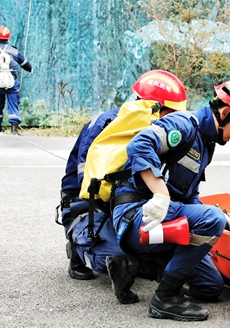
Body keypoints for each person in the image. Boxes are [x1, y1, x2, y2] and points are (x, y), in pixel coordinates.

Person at [110, 79, 230, 321]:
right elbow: (140, 145)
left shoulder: (205, 145)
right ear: (226, 113)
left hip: (163, 222)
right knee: (211, 219)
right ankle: (165, 298)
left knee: (210, 287)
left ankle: (132, 265)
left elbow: (187, 195)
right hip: (138, 217)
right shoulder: (183, 124)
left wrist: (220, 219)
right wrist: (161, 194)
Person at [60, 70, 187, 283]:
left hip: (123, 201)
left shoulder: (155, 131)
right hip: (88, 206)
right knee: (110, 260)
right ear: (154, 107)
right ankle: (79, 249)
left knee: (158, 248)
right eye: (171, 112)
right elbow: (87, 184)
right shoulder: (105, 124)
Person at [0, 25, 33, 134]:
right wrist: (30, 69)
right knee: (13, 103)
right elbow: (24, 63)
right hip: (11, 80)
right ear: (8, 37)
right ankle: (14, 129)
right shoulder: (14, 51)